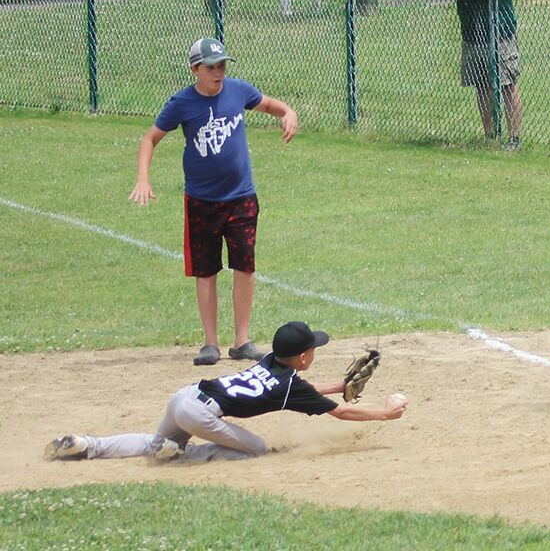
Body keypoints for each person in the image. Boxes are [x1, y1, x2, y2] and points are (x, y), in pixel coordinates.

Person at [129, 37, 299, 366]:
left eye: (222, 65)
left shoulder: (237, 90)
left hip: (241, 198)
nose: (218, 72)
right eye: (211, 67)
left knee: (244, 267)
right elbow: (150, 139)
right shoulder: (182, 102)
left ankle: (242, 341)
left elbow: (268, 104)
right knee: (206, 272)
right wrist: (143, 178)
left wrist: (288, 113)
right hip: (202, 201)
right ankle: (210, 343)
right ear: (195, 69)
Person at [44, 321, 408, 462]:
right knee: (256, 448)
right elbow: (339, 412)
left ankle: (89, 444)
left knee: (150, 442)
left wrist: (342, 386)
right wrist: (387, 413)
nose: (315, 351)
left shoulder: (270, 362)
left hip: (185, 397)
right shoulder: (288, 384)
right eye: (313, 348)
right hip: (200, 416)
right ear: (301, 356)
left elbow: (308, 391)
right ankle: (181, 454)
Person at [426, 0, 524, 150]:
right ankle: (490, 136)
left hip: (500, 31)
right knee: (483, 86)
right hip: (473, 34)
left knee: (507, 84)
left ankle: (514, 138)